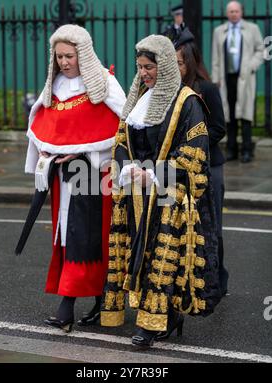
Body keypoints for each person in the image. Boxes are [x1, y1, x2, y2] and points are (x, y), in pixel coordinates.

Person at [100, 34, 221, 348]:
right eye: (140, 67)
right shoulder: (139, 97)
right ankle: (150, 316)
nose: (143, 73)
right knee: (138, 254)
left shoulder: (188, 102)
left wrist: (152, 173)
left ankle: (158, 322)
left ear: (165, 66)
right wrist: (128, 168)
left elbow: (195, 155)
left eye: (148, 67)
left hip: (167, 196)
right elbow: (120, 140)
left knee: (161, 259)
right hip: (135, 195)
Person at [20, 24, 126, 332]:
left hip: (94, 180)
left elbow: (123, 128)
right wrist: (45, 158)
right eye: (59, 57)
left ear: (83, 54)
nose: (64, 62)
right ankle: (85, 302)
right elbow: (42, 128)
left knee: (90, 241)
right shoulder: (52, 88)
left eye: (69, 56)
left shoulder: (105, 83)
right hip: (62, 181)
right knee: (68, 238)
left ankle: (75, 306)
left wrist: (85, 156)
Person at [174, 27, 229, 296]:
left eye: (179, 63)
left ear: (190, 63)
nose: (175, 68)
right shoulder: (172, 90)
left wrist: (195, 144)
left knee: (212, 227)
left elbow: (219, 128)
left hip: (209, 166)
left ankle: (217, 280)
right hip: (181, 168)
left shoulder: (206, 88)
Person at [212, 1, 264, 163]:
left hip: (245, 78)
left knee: (246, 115)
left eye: (236, 11)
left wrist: (251, 66)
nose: (233, 14)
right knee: (230, 115)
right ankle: (231, 149)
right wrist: (216, 78)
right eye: (231, 11)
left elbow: (261, 50)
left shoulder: (252, 29)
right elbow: (216, 56)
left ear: (241, 12)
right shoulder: (219, 31)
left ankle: (247, 150)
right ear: (227, 14)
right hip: (226, 78)